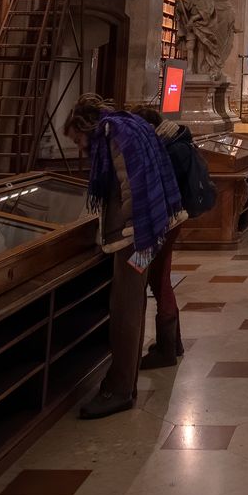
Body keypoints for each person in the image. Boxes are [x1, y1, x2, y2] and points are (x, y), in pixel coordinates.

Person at [66, 99, 186, 419]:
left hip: (137, 235)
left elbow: (131, 186)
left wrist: (135, 235)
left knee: (126, 310)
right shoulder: (129, 127)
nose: (80, 148)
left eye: (78, 140)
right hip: (151, 226)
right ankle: (126, 378)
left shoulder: (114, 136)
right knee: (133, 305)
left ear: (86, 127)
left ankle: (119, 388)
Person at [134, 105, 194, 368]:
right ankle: (173, 343)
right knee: (161, 280)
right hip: (169, 221)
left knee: (158, 281)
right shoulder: (175, 139)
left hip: (162, 223)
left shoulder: (164, 148)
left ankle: (167, 349)